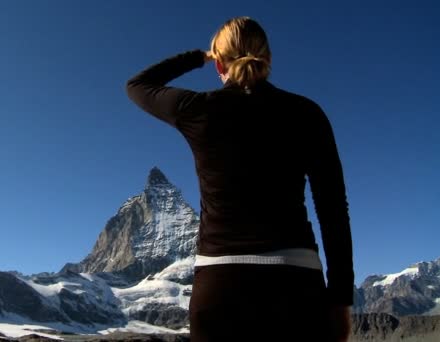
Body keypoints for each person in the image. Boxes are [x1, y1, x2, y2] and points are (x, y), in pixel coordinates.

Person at [125, 16, 354, 341]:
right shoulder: (307, 113)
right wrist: (341, 300)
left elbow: (138, 85)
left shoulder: (197, 109)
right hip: (297, 284)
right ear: (269, 60)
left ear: (219, 64)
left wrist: (198, 57)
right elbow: (333, 210)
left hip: (220, 287)